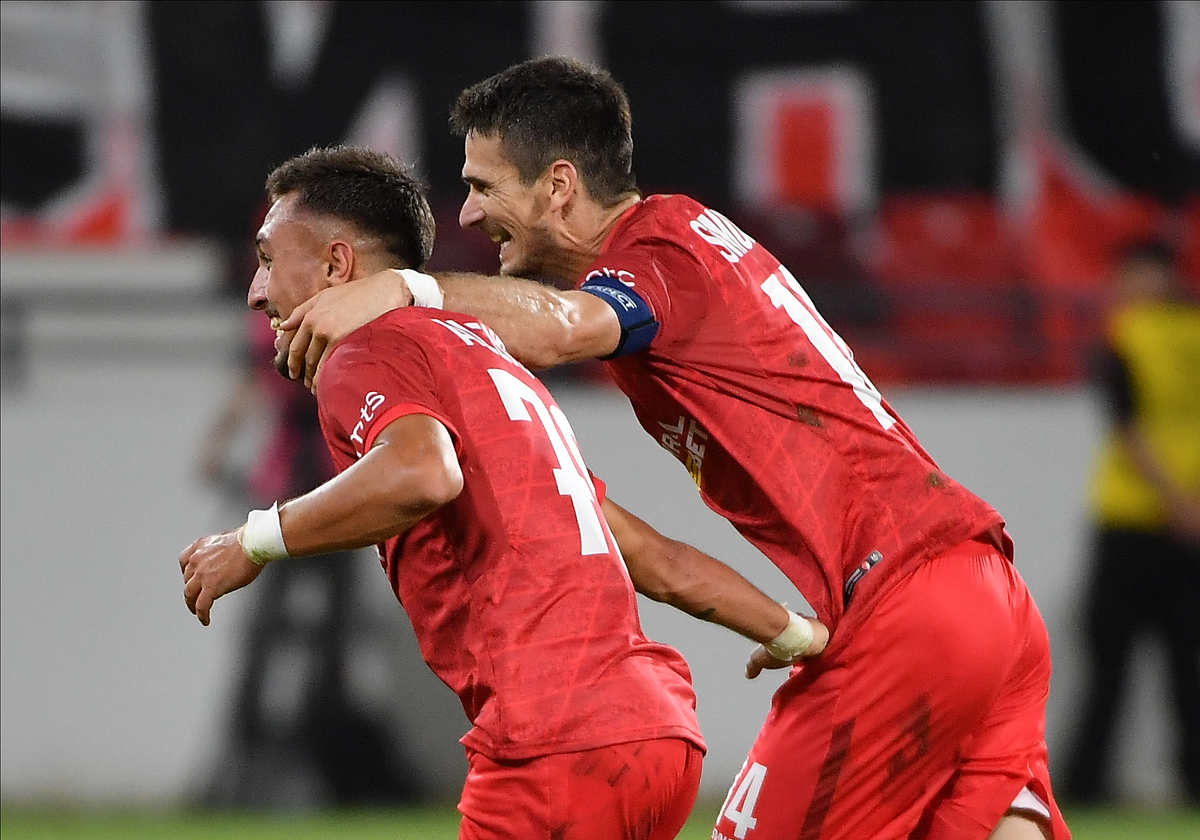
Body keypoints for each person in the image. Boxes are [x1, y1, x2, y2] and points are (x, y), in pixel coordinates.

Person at [280, 58, 1071, 840]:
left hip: (906, 603)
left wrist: (410, 289)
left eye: (486, 187)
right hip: (987, 598)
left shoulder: (657, 252)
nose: (470, 215)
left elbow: (567, 329)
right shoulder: (693, 238)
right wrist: (786, 626)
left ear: (558, 186)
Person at [180, 144, 831, 839]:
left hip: (555, 743)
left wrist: (255, 541)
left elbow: (423, 472)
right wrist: (793, 631)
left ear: (339, 267)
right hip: (658, 736)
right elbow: (652, 558)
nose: (256, 290)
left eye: (269, 259)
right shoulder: (487, 359)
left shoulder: (366, 352)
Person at [1060, 240, 1200, 804]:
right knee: (1185, 667)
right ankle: (1192, 784)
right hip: (1188, 524)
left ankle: (1086, 787)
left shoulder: (1124, 334)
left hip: (1131, 519)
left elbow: (1128, 428)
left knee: (1110, 667)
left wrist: (1173, 501)